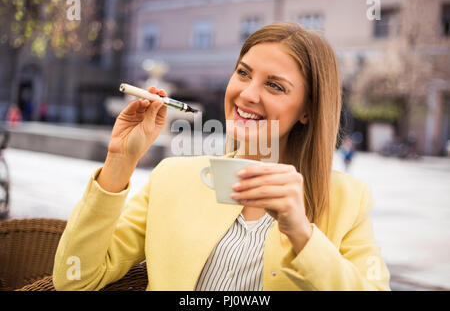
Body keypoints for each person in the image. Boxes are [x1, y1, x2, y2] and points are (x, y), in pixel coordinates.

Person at [53, 22, 391, 291]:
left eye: (275, 86)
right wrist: (119, 161)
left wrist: (303, 233)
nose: (247, 94)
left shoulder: (347, 199)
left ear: (308, 110)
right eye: (243, 73)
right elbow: (76, 279)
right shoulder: (173, 178)